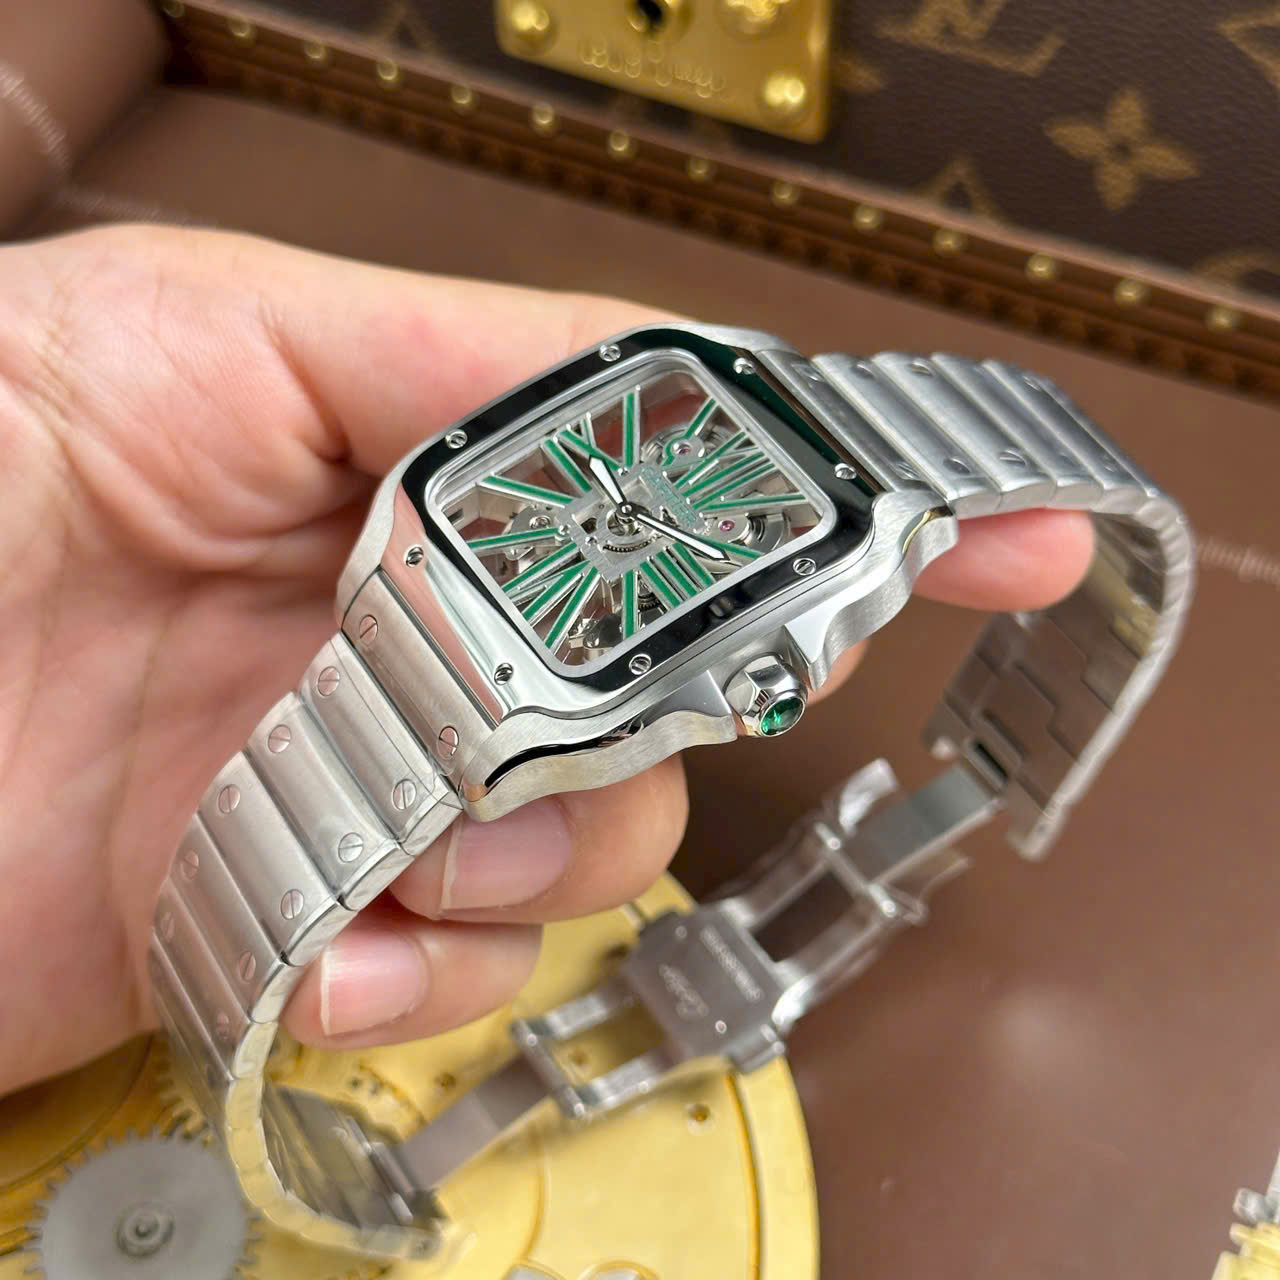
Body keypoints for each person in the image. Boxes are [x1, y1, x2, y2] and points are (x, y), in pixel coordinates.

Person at [0, 226, 1092, 1099]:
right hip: (424, 592)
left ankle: (996, 768)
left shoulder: (833, 530)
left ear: (763, 694)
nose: (629, 504)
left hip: (503, 662)